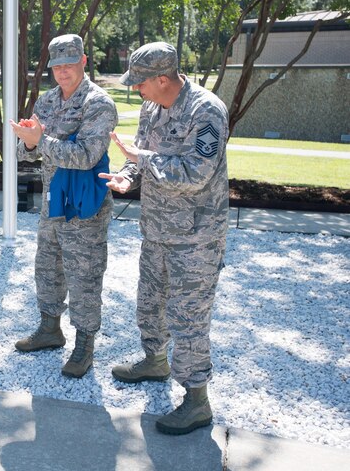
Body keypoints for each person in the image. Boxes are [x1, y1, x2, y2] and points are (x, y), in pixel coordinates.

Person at [99, 42, 229, 435]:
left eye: (140, 82)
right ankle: (155, 360)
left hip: (195, 237)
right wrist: (128, 174)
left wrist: (143, 161)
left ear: (162, 78)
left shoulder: (206, 110)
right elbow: (141, 154)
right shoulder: (151, 107)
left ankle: (196, 400)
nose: (136, 89)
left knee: (188, 317)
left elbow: (196, 174)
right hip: (155, 229)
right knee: (150, 302)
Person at [10, 34, 117, 378]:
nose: (63, 71)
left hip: (85, 206)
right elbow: (20, 152)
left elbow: (86, 156)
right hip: (53, 202)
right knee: (48, 266)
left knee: (84, 274)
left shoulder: (98, 104)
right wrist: (28, 144)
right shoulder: (46, 102)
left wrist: (41, 141)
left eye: (70, 64)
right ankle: (49, 329)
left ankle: (84, 344)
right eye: (57, 65)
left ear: (84, 62)